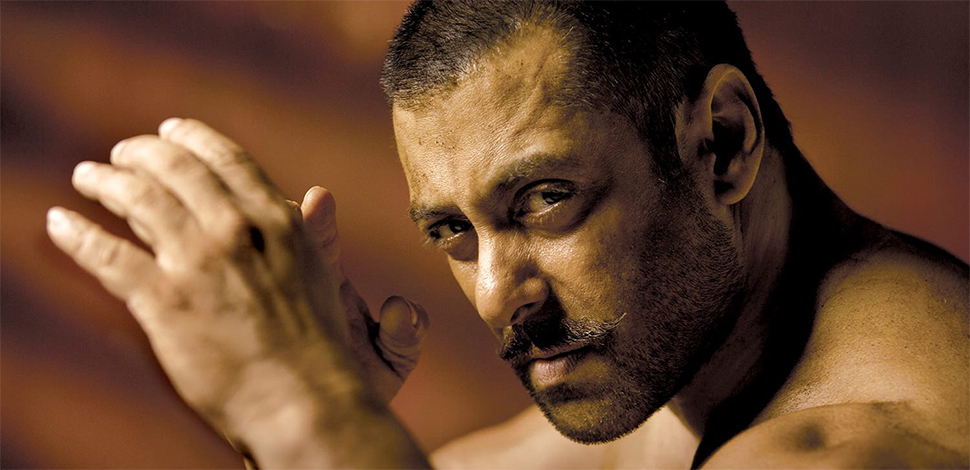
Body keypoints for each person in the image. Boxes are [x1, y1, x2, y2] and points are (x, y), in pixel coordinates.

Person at [46, 1, 968, 468]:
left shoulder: (863, 444)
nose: (498, 296)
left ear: (720, 144)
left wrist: (303, 412)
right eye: (453, 229)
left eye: (543, 199)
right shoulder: (688, 369)